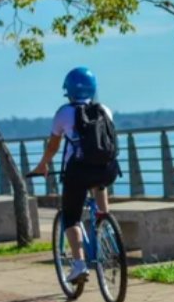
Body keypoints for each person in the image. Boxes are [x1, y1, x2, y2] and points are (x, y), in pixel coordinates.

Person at [32, 67, 120, 285]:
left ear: (68, 90)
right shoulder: (105, 111)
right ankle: (104, 222)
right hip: (107, 169)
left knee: (71, 217)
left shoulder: (64, 113)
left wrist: (43, 165)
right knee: (99, 183)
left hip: (78, 172)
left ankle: (79, 265)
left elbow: (53, 147)